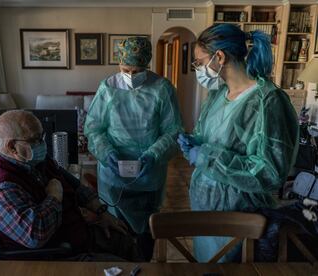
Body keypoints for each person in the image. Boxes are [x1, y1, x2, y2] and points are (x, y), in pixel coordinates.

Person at [178, 24, 299, 262]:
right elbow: (209, 139)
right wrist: (194, 143)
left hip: (242, 215)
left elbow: (270, 171)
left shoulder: (268, 102)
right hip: (205, 210)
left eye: (199, 62)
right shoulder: (216, 97)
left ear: (219, 57)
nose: (198, 69)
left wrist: (205, 156)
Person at [0, 110, 144, 261]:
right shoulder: (1, 189)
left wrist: (102, 212)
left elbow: (76, 186)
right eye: (35, 139)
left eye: (41, 136)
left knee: (126, 239)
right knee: (123, 268)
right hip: (55, 256)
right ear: (11, 147)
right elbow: (36, 235)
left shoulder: (36, 161)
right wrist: (54, 196)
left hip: (75, 236)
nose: (42, 143)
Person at [84, 37, 183, 260]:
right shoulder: (108, 88)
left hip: (149, 171)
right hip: (112, 171)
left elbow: (173, 131)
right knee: (116, 230)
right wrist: (106, 152)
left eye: (136, 69)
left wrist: (153, 155)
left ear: (146, 65)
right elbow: (94, 129)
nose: (129, 74)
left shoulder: (162, 88)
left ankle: (144, 264)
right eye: (125, 68)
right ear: (119, 63)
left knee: (146, 232)